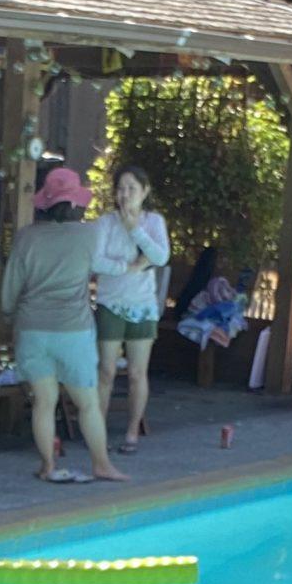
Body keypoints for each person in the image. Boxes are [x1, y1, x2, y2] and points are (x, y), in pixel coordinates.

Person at [0, 165, 124, 483]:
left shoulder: (27, 237)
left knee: (43, 402)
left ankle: (48, 466)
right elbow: (107, 263)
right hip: (74, 331)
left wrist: (11, 313)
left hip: (32, 330)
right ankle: (101, 464)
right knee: (87, 403)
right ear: (77, 204)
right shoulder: (89, 234)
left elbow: (10, 290)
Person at [90, 162, 169, 450]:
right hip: (111, 302)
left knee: (137, 372)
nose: (125, 194)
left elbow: (160, 257)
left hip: (142, 305)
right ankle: (96, 428)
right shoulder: (104, 223)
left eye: (132, 189)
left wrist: (134, 229)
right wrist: (129, 267)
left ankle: (132, 431)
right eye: (121, 188)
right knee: (107, 370)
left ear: (144, 191)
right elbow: (95, 261)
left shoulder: (154, 222)